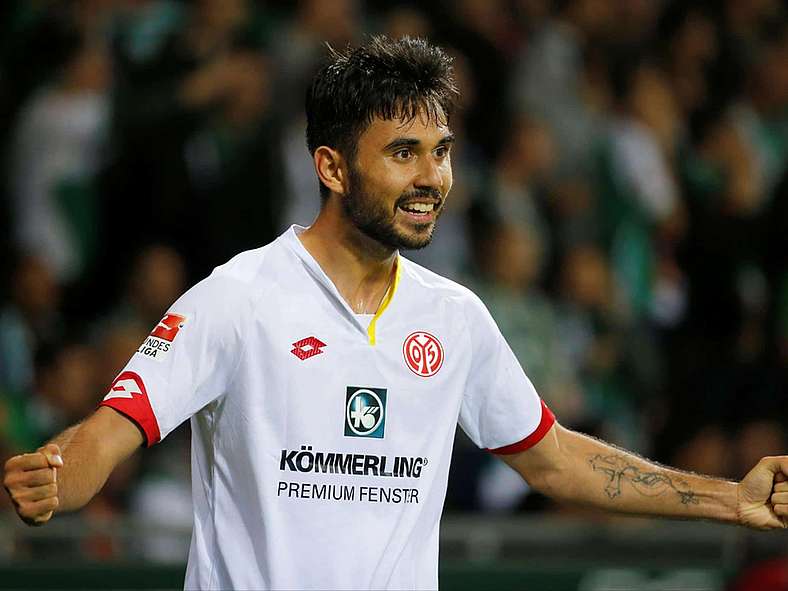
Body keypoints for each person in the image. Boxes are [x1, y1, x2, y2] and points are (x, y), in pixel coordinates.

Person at [3, 36, 788, 590]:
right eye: (403, 152)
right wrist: (57, 478)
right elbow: (106, 434)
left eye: (440, 151)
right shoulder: (238, 298)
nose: (432, 178)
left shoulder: (454, 318)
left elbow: (556, 461)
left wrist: (730, 497)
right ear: (332, 167)